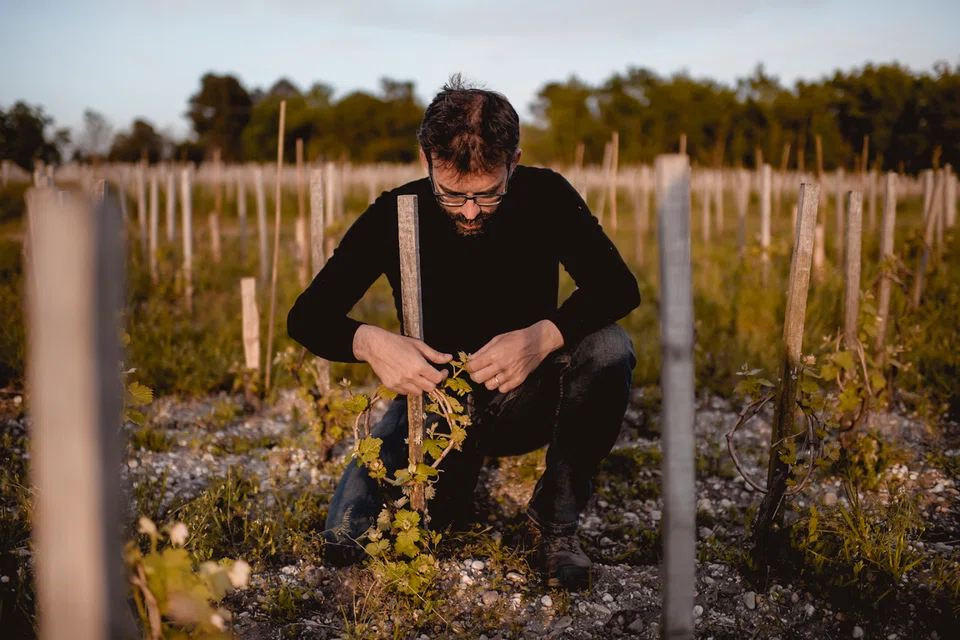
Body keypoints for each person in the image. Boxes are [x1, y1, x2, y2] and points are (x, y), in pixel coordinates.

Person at [287, 75, 640, 591]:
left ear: (513, 162)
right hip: (433, 401)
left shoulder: (546, 195)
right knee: (350, 541)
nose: (470, 211)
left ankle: (556, 524)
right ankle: (454, 486)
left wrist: (542, 336)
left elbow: (618, 287)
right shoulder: (396, 212)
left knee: (610, 348)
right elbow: (308, 317)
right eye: (452, 195)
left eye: (487, 194)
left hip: (525, 396)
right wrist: (369, 341)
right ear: (427, 157)